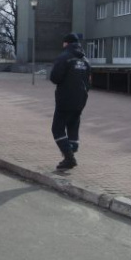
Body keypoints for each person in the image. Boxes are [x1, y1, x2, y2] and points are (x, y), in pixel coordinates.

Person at [49, 33, 91, 170]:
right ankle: (72, 150)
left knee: (57, 128)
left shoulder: (64, 57)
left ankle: (69, 158)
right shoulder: (85, 60)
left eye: (63, 43)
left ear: (66, 43)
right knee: (73, 126)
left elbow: (55, 77)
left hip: (65, 99)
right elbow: (89, 82)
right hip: (81, 100)